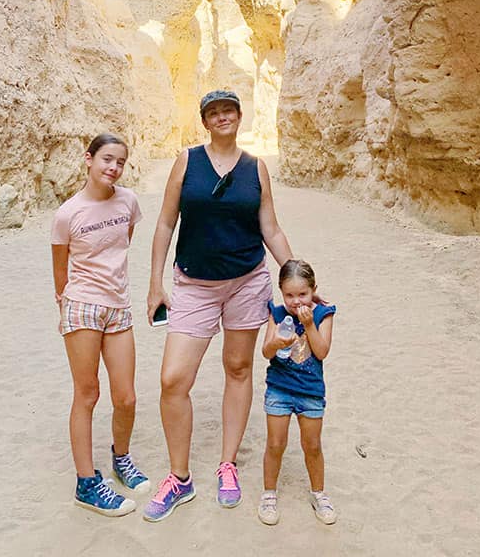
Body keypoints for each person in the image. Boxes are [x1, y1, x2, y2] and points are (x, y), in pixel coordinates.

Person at [143, 89, 294, 523]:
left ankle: (227, 464)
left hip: (247, 280)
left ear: (239, 117)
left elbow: (270, 226)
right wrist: (156, 284)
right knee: (173, 379)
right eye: (214, 112)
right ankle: (179, 476)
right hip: (193, 283)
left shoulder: (256, 168)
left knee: (239, 368)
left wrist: (296, 275)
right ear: (205, 121)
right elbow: (166, 223)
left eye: (229, 110)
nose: (222, 117)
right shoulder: (186, 162)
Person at [51, 132, 148, 517]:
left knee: (126, 397)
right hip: (82, 308)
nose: (114, 167)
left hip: (118, 307)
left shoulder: (129, 202)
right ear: (88, 159)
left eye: (120, 162)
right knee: (87, 394)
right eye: (107, 159)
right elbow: (60, 273)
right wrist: (70, 305)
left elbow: (121, 244)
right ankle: (86, 483)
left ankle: (120, 459)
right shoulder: (67, 214)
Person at [258, 259, 337, 526]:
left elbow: (322, 351)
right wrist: (276, 342)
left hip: (311, 392)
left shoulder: (323, 314)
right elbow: (266, 352)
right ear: (281, 292)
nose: (296, 301)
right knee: (275, 444)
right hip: (279, 389)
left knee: (312, 446)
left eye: (302, 294)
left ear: (314, 289)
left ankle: (319, 493)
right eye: (289, 295)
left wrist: (310, 326)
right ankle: (269, 494)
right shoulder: (278, 314)